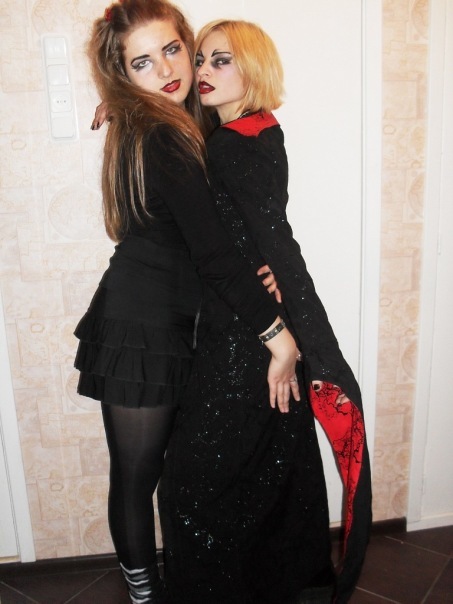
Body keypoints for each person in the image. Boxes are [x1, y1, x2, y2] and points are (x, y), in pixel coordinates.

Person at [75, 3, 301, 603]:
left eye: (173, 50)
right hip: (139, 325)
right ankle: (143, 594)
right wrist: (278, 335)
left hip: (177, 322)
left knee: (161, 473)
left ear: (187, 43)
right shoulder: (161, 135)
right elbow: (214, 255)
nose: (167, 70)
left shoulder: (173, 121)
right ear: (125, 74)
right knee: (138, 477)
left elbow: (223, 230)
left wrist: (122, 100)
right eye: (142, 63)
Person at [158, 19, 372, 604]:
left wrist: (290, 331)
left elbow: (272, 235)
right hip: (257, 321)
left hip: (245, 331)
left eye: (220, 60)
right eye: (201, 59)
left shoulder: (232, 145)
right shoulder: (258, 130)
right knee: (269, 466)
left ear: (251, 68)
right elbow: (260, 227)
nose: (202, 71)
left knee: (196, 482)